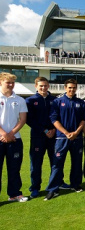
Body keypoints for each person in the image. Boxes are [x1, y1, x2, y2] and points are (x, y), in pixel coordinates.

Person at [44, 78, 85, 200]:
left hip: (77, 138)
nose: (72, 90)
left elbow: (83, 120)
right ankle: (53, 189)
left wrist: (76, 132)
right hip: (61, 138)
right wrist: (67, 133)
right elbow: (54, 119)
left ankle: (76, 184)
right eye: (70, 87)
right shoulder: (58, 102)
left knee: (77, 163)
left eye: (74, 88)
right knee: (57, 164)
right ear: (65, 88)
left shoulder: (81, 102)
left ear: (76, 88)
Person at [26, 77, 57, 198]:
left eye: (45, 85)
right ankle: (35, 187)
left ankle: (56, 184)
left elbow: (56, 117)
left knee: (55, 162)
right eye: (41, 86)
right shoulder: (30, 100)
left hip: (53, 136)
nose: (43, 88)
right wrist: (44, 130)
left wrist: (54, 129)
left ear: (48, 86)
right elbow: (29, 120)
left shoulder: (54, 100)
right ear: (36, 87)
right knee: (36, 163)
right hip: (38, 137)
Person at [0, 72, 28, 202]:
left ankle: (15, 194)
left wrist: (11, 134)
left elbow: (22, 120)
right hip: (0, 138)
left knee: (14, 168)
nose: (11, 85)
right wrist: (4, 134)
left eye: (12, 82)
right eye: (8, 82)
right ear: (1, 82)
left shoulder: (20, 100)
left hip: (15, 139)